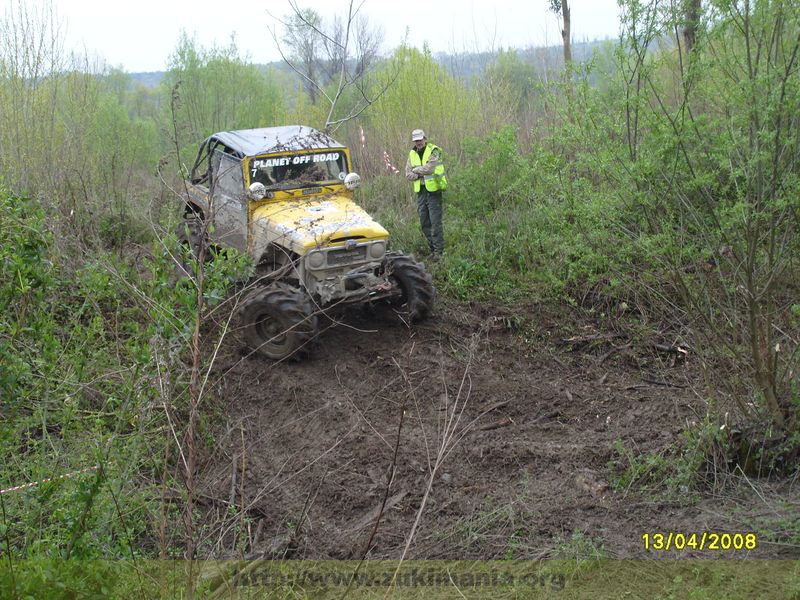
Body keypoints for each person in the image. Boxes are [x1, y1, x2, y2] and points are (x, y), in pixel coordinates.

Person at [405, 128, 447, 259]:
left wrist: (416, 170)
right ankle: (433, 249)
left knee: (435, 223)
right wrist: (417, 174)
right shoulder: (412, 154)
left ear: (425, 138)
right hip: (421, 192)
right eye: (416, 140)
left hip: (434, 191)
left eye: (420, 139)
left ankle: (438, 252)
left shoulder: (434, 150)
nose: (418, 142)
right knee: (424, 223)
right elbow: (407, 174)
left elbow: (430, 168)